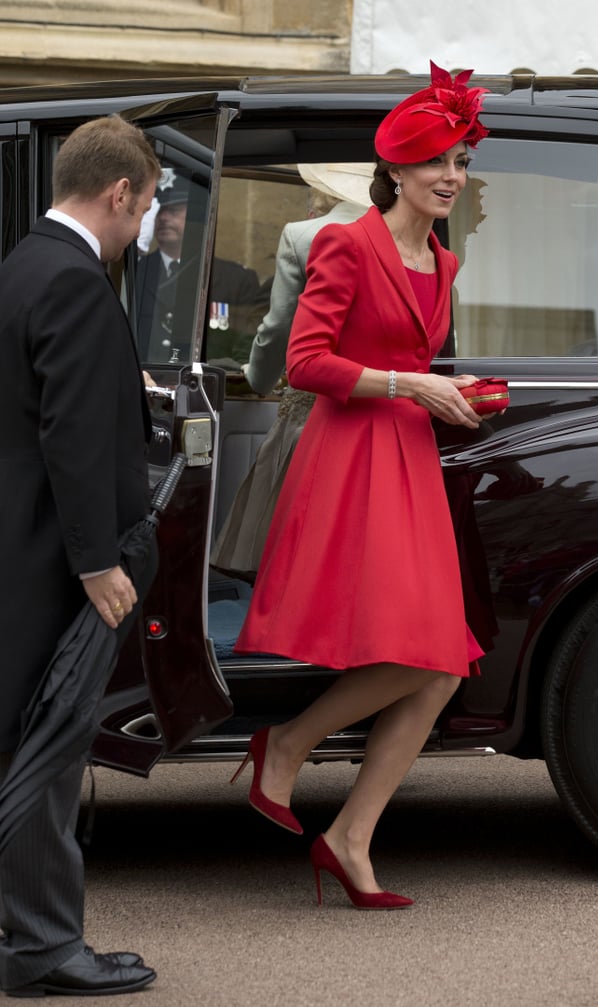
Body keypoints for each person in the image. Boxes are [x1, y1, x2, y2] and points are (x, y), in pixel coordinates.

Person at [231, 61, 492, 909]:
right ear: (398, 172)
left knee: (444, 664)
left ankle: (347, 835)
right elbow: (305, 364)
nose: (452, 177)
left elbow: (417, 363)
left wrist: (448, 398)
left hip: (409, 454)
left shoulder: (445, 265)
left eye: (460, 161)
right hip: (351, 456)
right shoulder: (345, 243)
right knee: (424, 650)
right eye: (437, 163)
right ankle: (291, 744)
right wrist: (409, 384)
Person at [0, 115, 159, 996]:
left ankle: (33, 936)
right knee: (48, 752)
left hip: (20, 541)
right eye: (141, 210)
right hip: (56, 558)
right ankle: (45, 948)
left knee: (30, 742)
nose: (139, 231)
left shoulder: (25, 263)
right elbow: (68, 434)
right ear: (120, 192)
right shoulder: (73, 277)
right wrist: (99, 561)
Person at [211, 162, 373, 580]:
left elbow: (279, 326)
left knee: (294, 539)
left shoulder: (303, 236)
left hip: (313, 405)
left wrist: (258, 379)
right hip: (379, 405)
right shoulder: (404, 236)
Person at [135, 172, 261, 361]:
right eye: (161, 210)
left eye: (175, 210)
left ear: (198, 219)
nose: (164, 218)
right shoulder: (136, 273)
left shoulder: (235, 280)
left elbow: (245, 351)